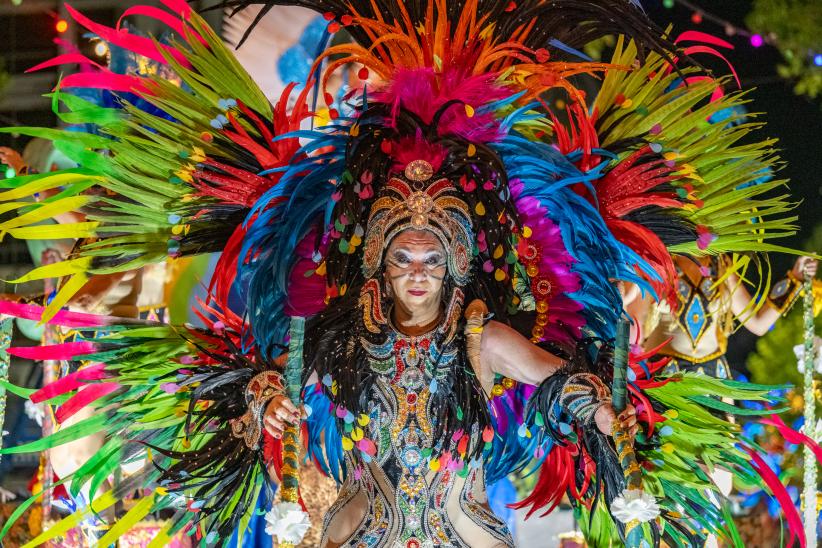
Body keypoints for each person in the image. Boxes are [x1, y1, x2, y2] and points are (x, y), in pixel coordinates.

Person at [0, 1, 816, 547]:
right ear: (376, 265)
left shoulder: (484, 337)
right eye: (403, 256)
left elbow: (551, 376)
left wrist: (595, 410)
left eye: (433, 256)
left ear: (462, 263)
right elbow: (259, 379)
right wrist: (261, 402)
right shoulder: (334, 333)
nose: (418, 270)